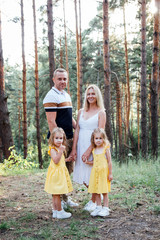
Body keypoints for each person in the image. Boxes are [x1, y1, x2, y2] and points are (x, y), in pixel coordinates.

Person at [43, 68, 78, 208]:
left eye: (65, 79)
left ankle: (64, 198)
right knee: (59, 171)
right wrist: (58, 143)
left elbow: (69, 117)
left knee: (67, 170)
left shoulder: (65, 95)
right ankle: (59, 202)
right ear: (54, 79)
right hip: (60, 141)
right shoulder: (51, 96)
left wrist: (78, 128)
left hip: (69, 138)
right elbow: (52, 122)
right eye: (60, 79)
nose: (62, 81)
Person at [70, 84, 106, 212]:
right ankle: (96, 197)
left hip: (93, 147)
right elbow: (77, 131)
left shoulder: (101, 113)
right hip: (80, 145)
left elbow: (100, 134)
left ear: (97, 96)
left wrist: (89, 150)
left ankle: (94, 201)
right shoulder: (80, 111)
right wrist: (74, 149)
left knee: (93, 174)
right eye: (89, 94)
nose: (91, 96)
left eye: (93, 93)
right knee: (84, 174)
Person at [44, 127, 73, 219]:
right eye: (56, 138)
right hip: (56, 175)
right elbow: (56, 160)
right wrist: (61, 151)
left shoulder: (59, 148)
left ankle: (55, 211)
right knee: (56, 193)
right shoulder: (53, 149)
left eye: (61, 138)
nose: (59, 140)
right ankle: (60, 211)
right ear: (52, 139)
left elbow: (60, 160)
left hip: (59, 173)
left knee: (56, 194)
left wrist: (66, 159)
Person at [88, 128, 113, 217]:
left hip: (103, 173)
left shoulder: (105, 148)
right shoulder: (94, 150)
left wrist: (110, 173)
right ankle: (98, 207)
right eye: (96, 138)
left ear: (104, 139)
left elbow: (109, 161)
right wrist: (88, 162)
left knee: (104, 191)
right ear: (93, 139)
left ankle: (105, 208)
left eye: (100, 138)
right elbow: (95, 161)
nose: (98, 140)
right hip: (95, 173)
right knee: (96, 190)